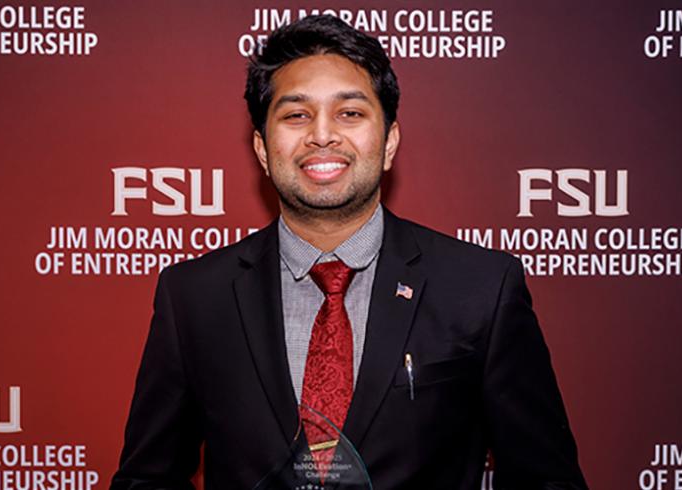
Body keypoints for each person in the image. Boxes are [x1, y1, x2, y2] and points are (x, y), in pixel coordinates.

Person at [111, 15, 587, 489]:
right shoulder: (195, 295)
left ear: (389, 142)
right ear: (262, 148)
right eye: (296, 115)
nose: (322, 135)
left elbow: (547, 481)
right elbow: (146, 479)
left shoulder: (480, 287)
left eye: (350, 113)